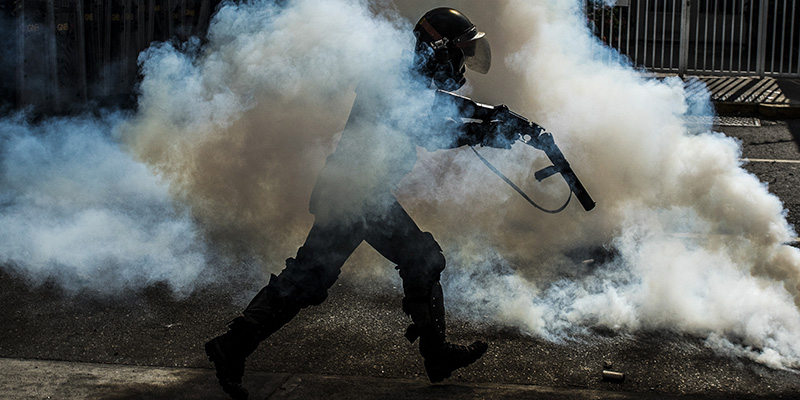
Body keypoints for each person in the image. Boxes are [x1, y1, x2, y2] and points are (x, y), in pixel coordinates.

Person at [205, 7, 518, 399]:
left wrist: (495, 117)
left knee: (313, 279)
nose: (462, 62)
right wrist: (489, 131)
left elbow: (440, 106)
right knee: (411, 260)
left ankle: (231, 346)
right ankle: (231, 346)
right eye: (459, 51)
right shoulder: (395, 79)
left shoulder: (409, 76)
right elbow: (430, 127)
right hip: (356, 197)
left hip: (357, 195)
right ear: (439, 48)